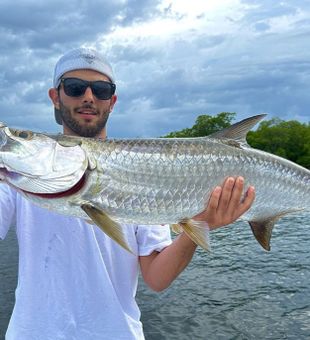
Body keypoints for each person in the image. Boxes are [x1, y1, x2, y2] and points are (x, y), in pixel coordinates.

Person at [0, 47, 255, 340]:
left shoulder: (148, 171)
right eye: (74, 87)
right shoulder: (19, 177)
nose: (88, 97)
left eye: (101, 90)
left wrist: (202, 225)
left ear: (113, 101)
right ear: (55, 96)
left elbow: (157, 278)